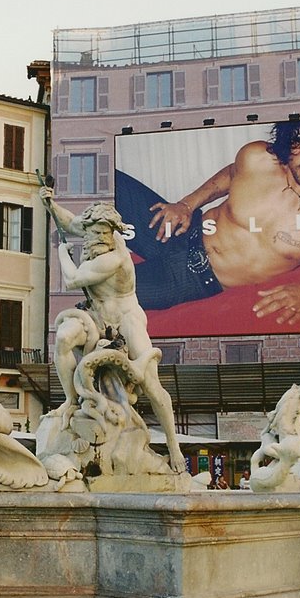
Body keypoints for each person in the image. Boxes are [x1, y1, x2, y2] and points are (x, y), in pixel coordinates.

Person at [115, 117, 300, 325]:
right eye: (299, 141)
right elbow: (232, 174)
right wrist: (187, 204)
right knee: (106, 179)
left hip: (193, 279)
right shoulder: (258, 157)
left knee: (101, 293)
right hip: (179, 230)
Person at [39, 186, 184, 472]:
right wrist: (51, 204)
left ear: (113, 231)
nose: (100, 239)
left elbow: (72, 280)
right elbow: (70, 222)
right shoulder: (90, 227)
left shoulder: (114, 256)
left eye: (106, 234)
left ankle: (174, 447)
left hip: (126, 319)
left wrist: (62, 253)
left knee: (151, 384)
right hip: (95, 317)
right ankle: (70, 400)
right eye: (95, 234)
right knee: (65, 338)